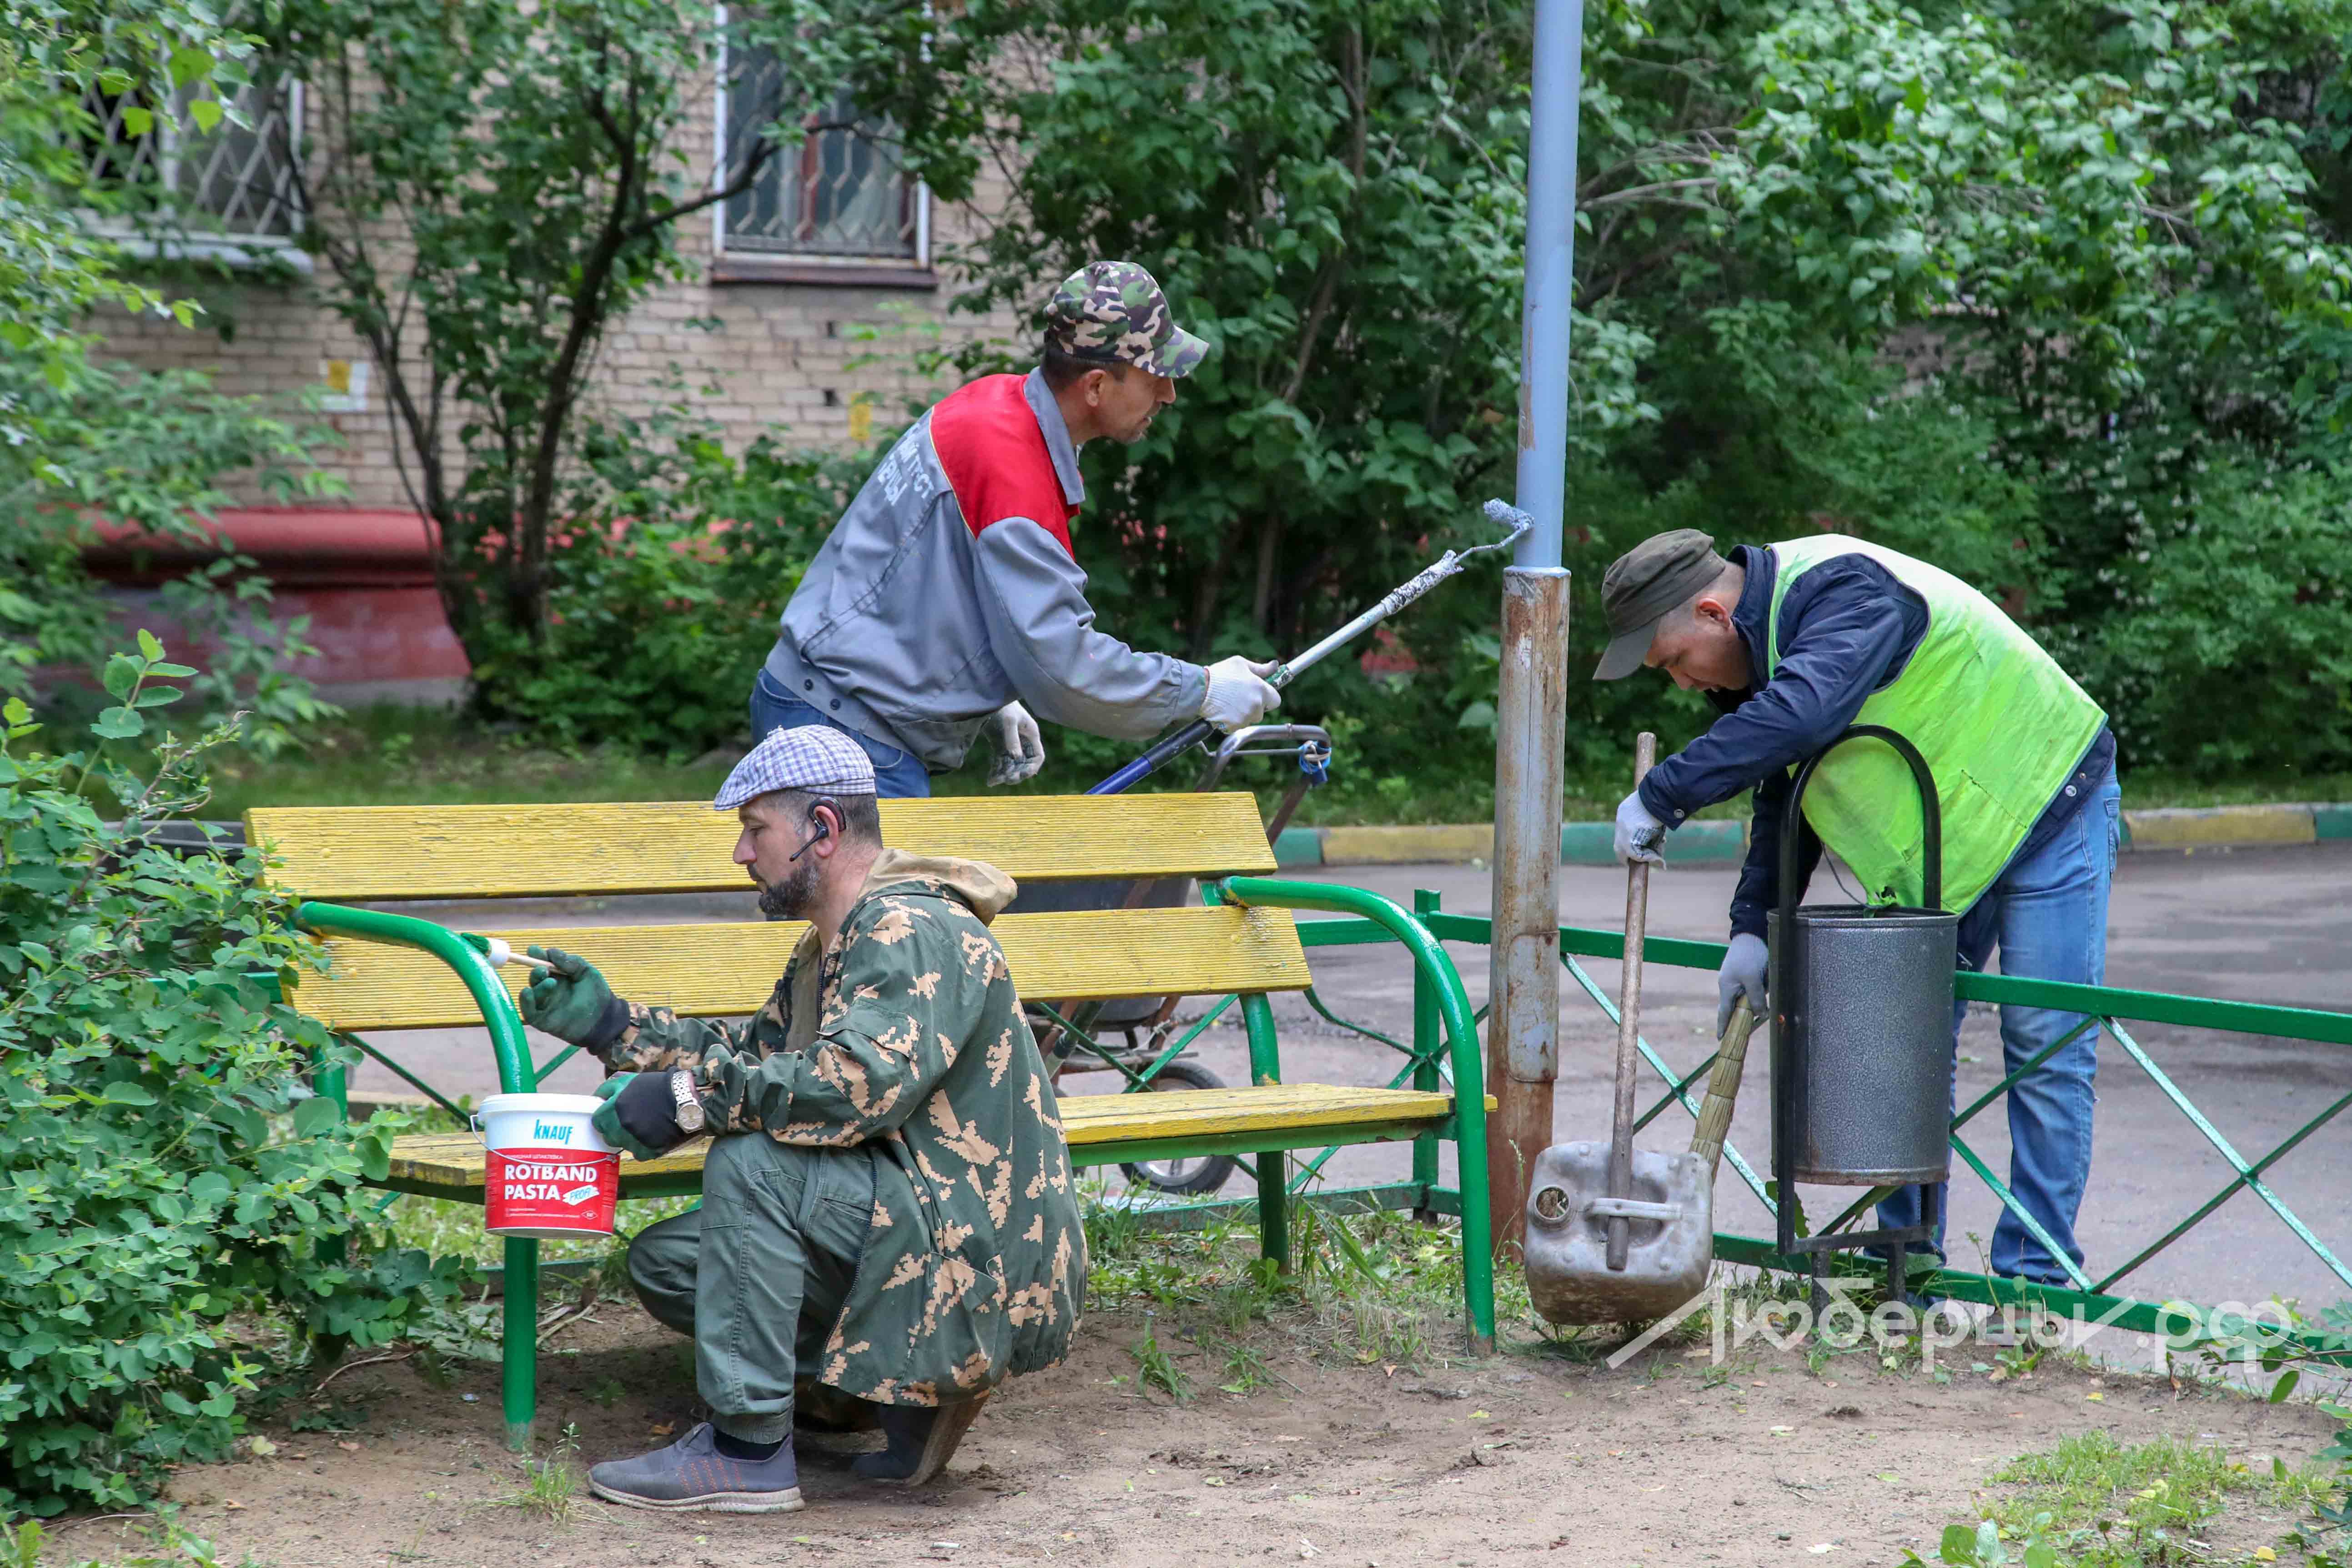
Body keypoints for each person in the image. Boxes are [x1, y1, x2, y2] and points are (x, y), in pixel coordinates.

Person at [516, 726, 1087, 1512]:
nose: (741, 854)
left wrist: (687, 1099)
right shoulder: (834, 943)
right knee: (672, 1262)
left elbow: (855, 1086)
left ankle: (746, 1451)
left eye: (755, 830)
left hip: (975, 1260)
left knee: (753, 1168)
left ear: (821, 827)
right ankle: (881, 1398)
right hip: (926, 1224)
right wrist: (612, 1026)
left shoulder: (908, 929)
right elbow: (756, 1057)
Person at [1593, 529, 2121, 1288]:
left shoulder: (1845, 592)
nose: (1680, 683)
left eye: (1673, 660)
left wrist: (1664, 792)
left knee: (2044, 1044)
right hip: (1939, 853)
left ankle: (2033, 1288)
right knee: (1901, 1053)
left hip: (2046, 797)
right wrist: (1752, 926)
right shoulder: (1769, 652)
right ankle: (1902, 1269)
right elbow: (1785, 791)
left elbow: (1803, 717)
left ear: (1712, 613)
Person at [750, 259, 1283, 796]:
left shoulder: (992, 406)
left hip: (826, 707)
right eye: (1154, 377)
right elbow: (1066, 668)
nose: (1168, 394)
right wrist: (1201, 690)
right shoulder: (1014, 470)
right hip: (847, 738)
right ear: (1097, 386)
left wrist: (984, 685)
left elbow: (923, 577)